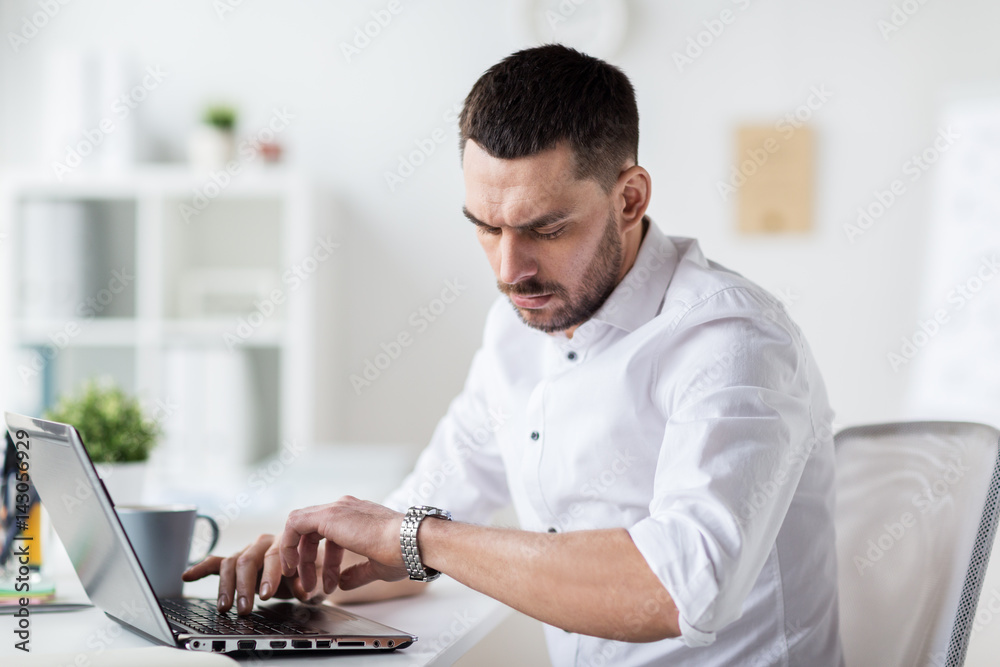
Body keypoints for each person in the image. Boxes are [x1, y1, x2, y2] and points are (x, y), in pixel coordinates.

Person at [184, 44, 843, 666]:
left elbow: (680, 587)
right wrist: (310, 569)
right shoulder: (515, 330)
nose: (510, 268)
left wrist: (415, 539)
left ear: (630, 197)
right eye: (486, 227)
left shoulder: (732, 338)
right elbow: (416, 531)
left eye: (546, 228)